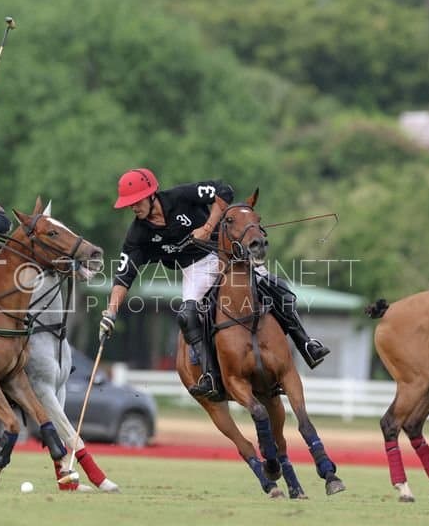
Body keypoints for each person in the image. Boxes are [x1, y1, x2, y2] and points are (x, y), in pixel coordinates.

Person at [99, 167, 329, 399]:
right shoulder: (138, 234)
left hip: (227, 253)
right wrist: (111, 312)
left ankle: (306, 344)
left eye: (137, 201)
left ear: (151, 195)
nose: (134, 207)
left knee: (279, 288)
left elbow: (224, 191)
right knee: (186, 317)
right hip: (194, 269)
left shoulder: (180, 197)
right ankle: (209, 376)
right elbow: (124, 275)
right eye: (130, 204)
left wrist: (208, 227)